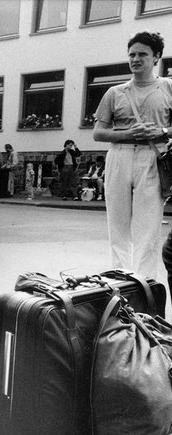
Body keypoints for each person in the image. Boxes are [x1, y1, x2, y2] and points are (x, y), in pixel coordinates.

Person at [93, 31, 172, 278]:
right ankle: (120, 285)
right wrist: (128, 134)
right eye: (132, 54)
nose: (135, 59)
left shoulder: (167, 87)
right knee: (117, 228)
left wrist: (161, 130)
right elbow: (99, 132)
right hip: (119, 156)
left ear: (156, 57)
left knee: (147, 229)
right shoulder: (115, 92)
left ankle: (145, 288)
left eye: (142, 54)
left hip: (152, 157)